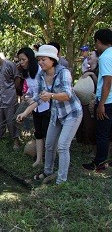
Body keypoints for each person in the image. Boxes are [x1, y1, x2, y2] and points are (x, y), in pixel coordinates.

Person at [17, 45, 82, 184]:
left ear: (53, 60)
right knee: (49, 144)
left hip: (72, 113)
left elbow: (67, 95)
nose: (40, 62)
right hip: (56, 113)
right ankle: (48, 172)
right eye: (39, 60)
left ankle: (61, 181)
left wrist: (51, 96)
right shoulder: (41, 75)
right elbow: (39, 98)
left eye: (43, 59)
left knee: (63, 145)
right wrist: (24, 112)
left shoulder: (63, 72)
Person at [83, 28, 112, 171]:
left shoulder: (105, 57)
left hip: (107, 101)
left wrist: (101, 104)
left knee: (102, 133)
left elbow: (107, 81)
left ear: (98, 42)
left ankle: (99, 162)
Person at [17, 47, 50, 167]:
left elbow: (43, 94)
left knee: (48, 134)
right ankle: (39, 159)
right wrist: (28, 95)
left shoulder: (41, 72)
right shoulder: (27, 74)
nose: (21, 62)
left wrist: (26, 111)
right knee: (38, 133)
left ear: (30, 59)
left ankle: (49, 159)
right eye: (20, 60)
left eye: (23, 59)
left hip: (47, 107)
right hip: (35, 107)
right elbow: (31, 89)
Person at [75, 50, 98, 153]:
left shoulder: (100, 69)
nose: (89, 57)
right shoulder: (87, 69)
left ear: (98, 58)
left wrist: (92, 75)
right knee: (84, 124)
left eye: (91, 55)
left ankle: (94, 147)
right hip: (85, 100)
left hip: (95, 101)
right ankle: (85, 145)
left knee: (91, 126)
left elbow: (100, 85)